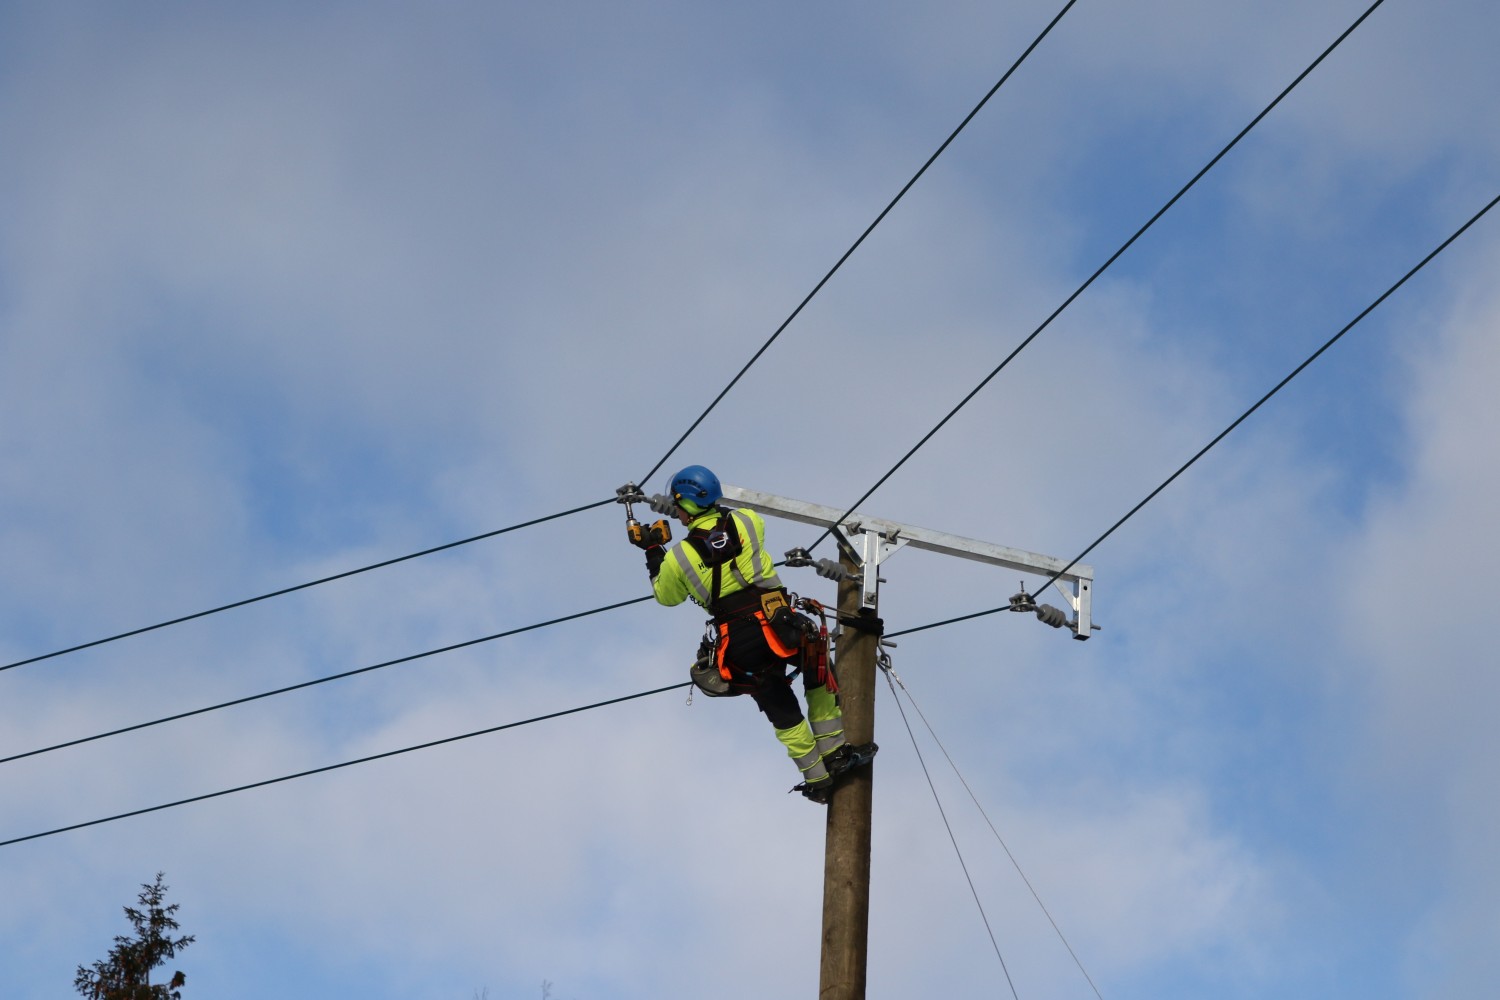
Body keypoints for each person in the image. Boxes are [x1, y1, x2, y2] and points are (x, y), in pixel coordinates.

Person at [634, 464, 860, 803]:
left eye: (677, 505)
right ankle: (836, 754)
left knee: (779, 705)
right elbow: (734, 529)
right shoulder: (747, 522)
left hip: (741, 645)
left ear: (684, 503)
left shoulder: (678, 557)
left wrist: (654, 551)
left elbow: (667, 597)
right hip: (781, 624)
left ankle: (817, 779)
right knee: (816, 673)